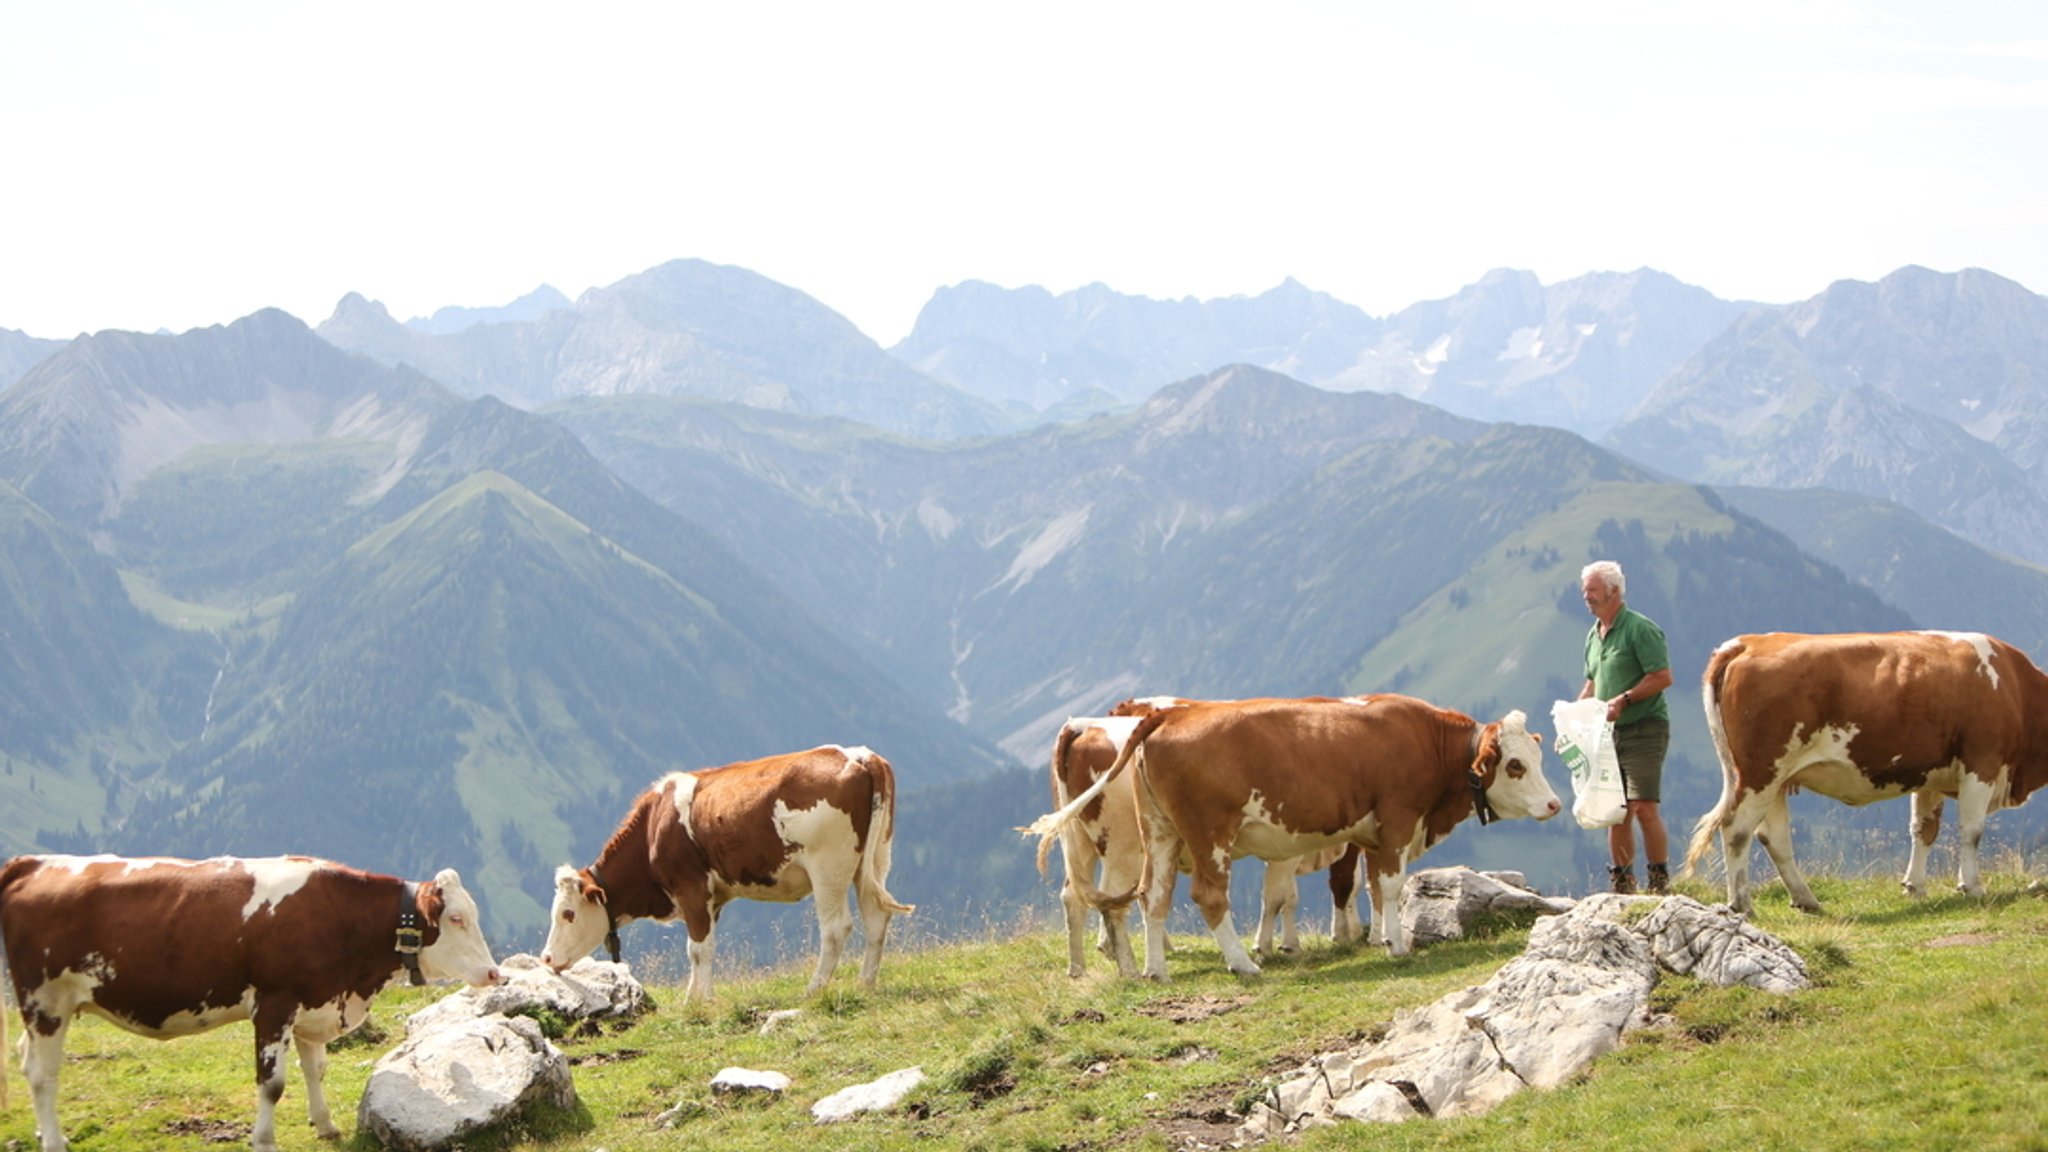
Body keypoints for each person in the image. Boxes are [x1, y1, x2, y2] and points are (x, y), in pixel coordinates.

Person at [1577, 560, 1676, 894]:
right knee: (1616, 811)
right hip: (1607, 735)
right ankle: (1622, 883)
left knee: (1644, 807)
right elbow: (1593, 683)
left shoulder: (1640, 629)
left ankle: (1659, 882)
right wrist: (1574, 716)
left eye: (1592, 589)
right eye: (1585, 589)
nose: (1585, 596)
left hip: (1644, 728)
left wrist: (1625, 700)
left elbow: (1662, 676)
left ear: (1614, 591)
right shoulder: (1593, 635)